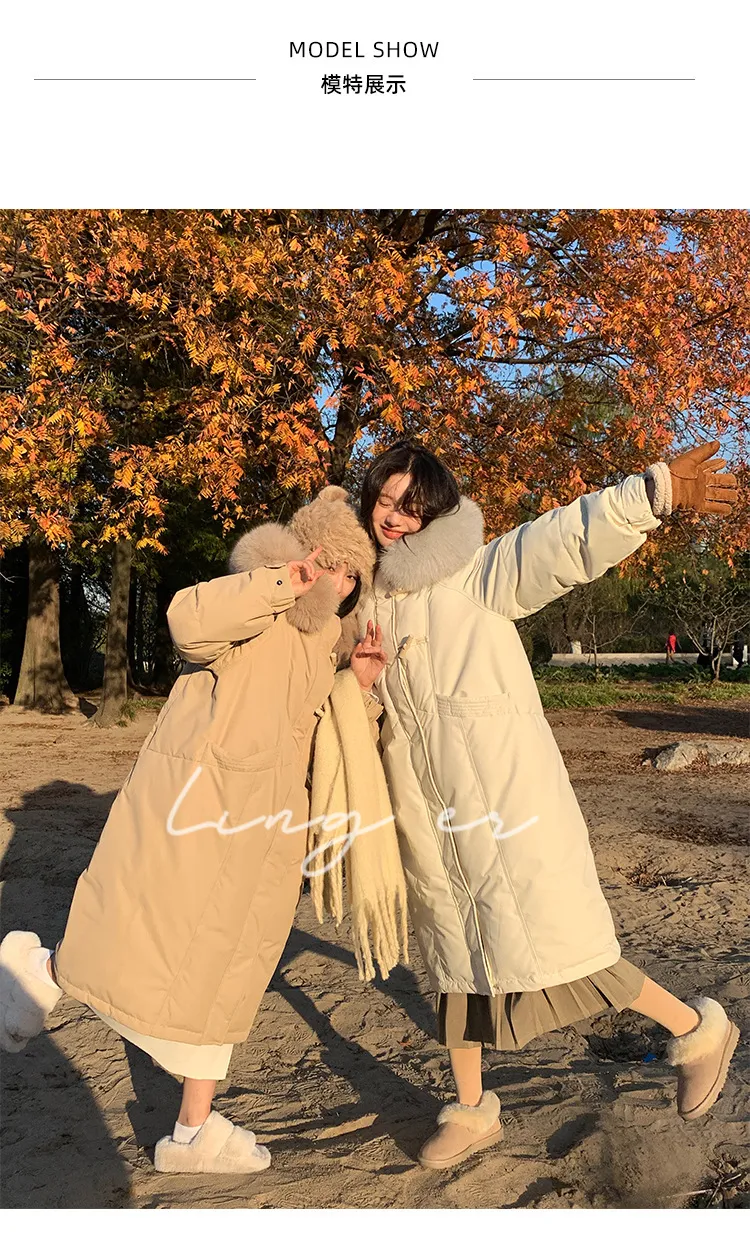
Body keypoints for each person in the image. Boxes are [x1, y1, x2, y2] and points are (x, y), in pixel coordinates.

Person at [347, 438, 741, 1170]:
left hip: (505, 804)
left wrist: (648, 494)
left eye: (412, 504)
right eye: (384, 499)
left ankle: (697, 1030)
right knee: (454, 965)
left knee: (563, 948)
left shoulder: (472, 573)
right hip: (430, 819)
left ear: (436, 512)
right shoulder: (366, 602)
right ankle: (472, 1110)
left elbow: (559, 541)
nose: (394, 516)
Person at [0, 486, 375, 1175]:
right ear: (305, 552)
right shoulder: (256, 599)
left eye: (354, 574)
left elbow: (325, 737)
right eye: (332, 562)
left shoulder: (327, 642)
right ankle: (42, 973)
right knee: (140, 932)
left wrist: (363, 687)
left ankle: (192, 1132)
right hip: (199, 807)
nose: (340, 582)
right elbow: (186, 621)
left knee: (224, 981)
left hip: (264, 830)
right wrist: (281, 581)